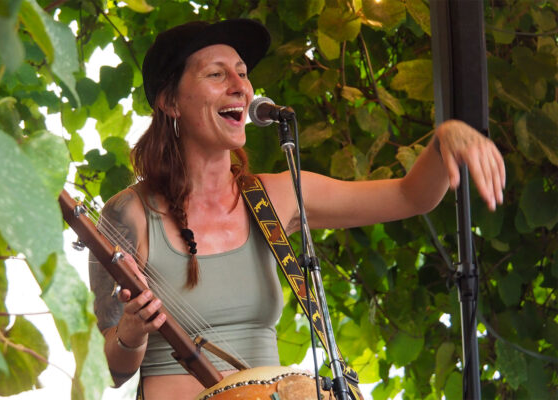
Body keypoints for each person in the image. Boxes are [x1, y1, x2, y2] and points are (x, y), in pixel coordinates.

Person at [88, 19, 505, 400]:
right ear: (170, 102)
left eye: (243, 73)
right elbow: (110, 370)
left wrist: (446, 137)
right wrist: (131, 333)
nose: (240, 86)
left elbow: (411, 197)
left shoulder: (277, 196)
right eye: (217, 74)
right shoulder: (130, 215)